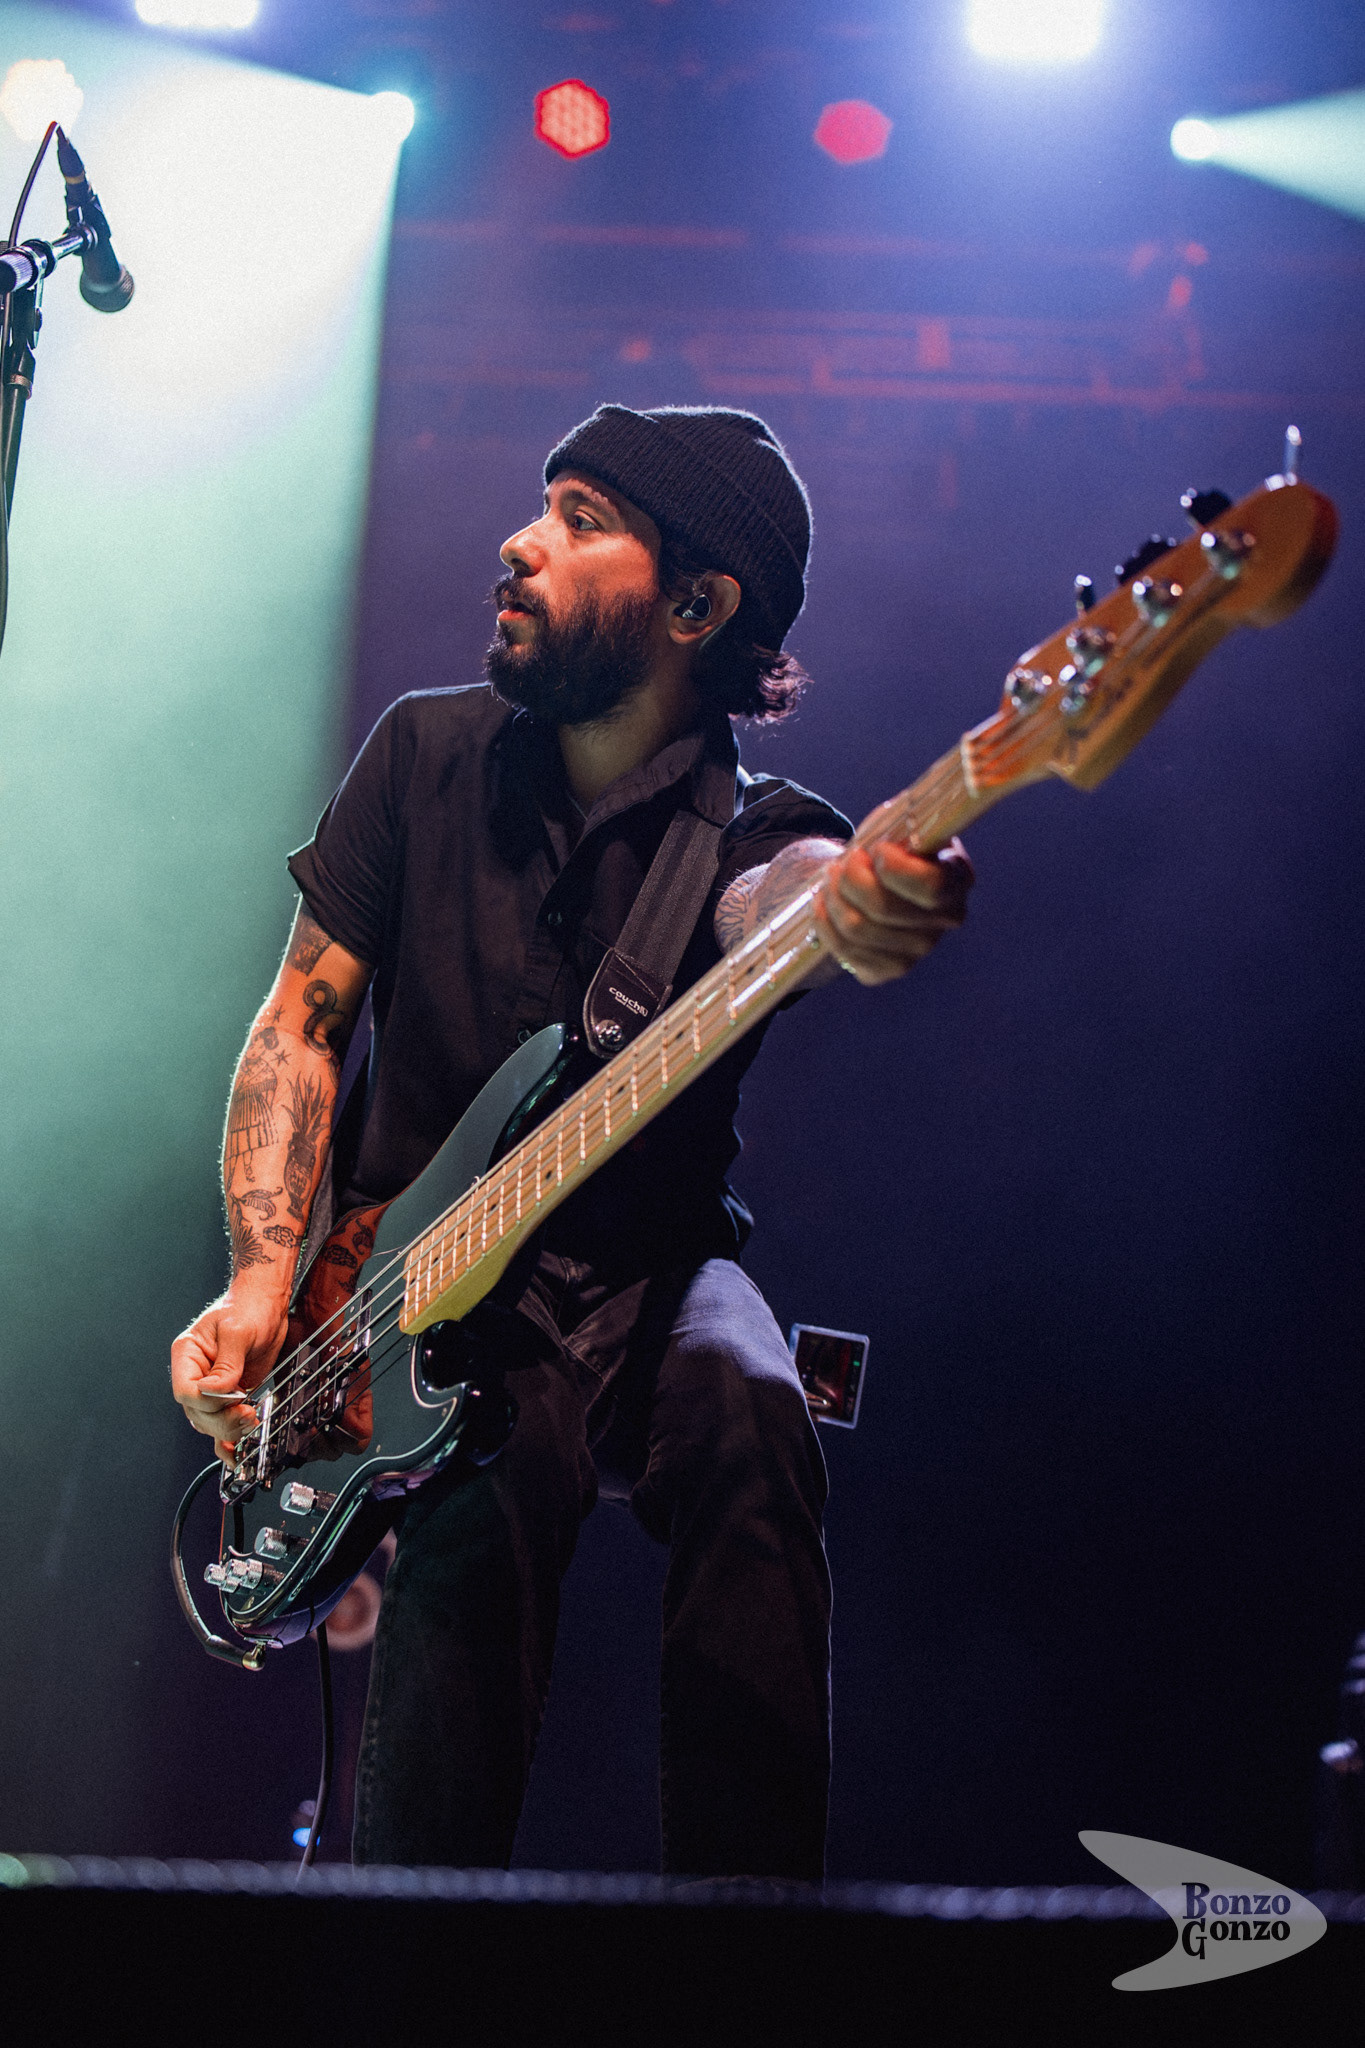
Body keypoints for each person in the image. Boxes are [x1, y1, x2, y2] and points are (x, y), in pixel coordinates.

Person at [170, 404, 972, 1879]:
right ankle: (414, 1946)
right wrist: (264, 1279)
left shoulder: (753, 831)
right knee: (490, 1479)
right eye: (543, 504)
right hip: (411, 1295)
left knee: (754, 1410)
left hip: (647, 1271)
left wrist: (854, 904)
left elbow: (785, 896)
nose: (520, 541)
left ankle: (755, 1947)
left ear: (696, 605)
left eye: (582, 519)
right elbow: (301, 1021)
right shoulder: (422, 754)